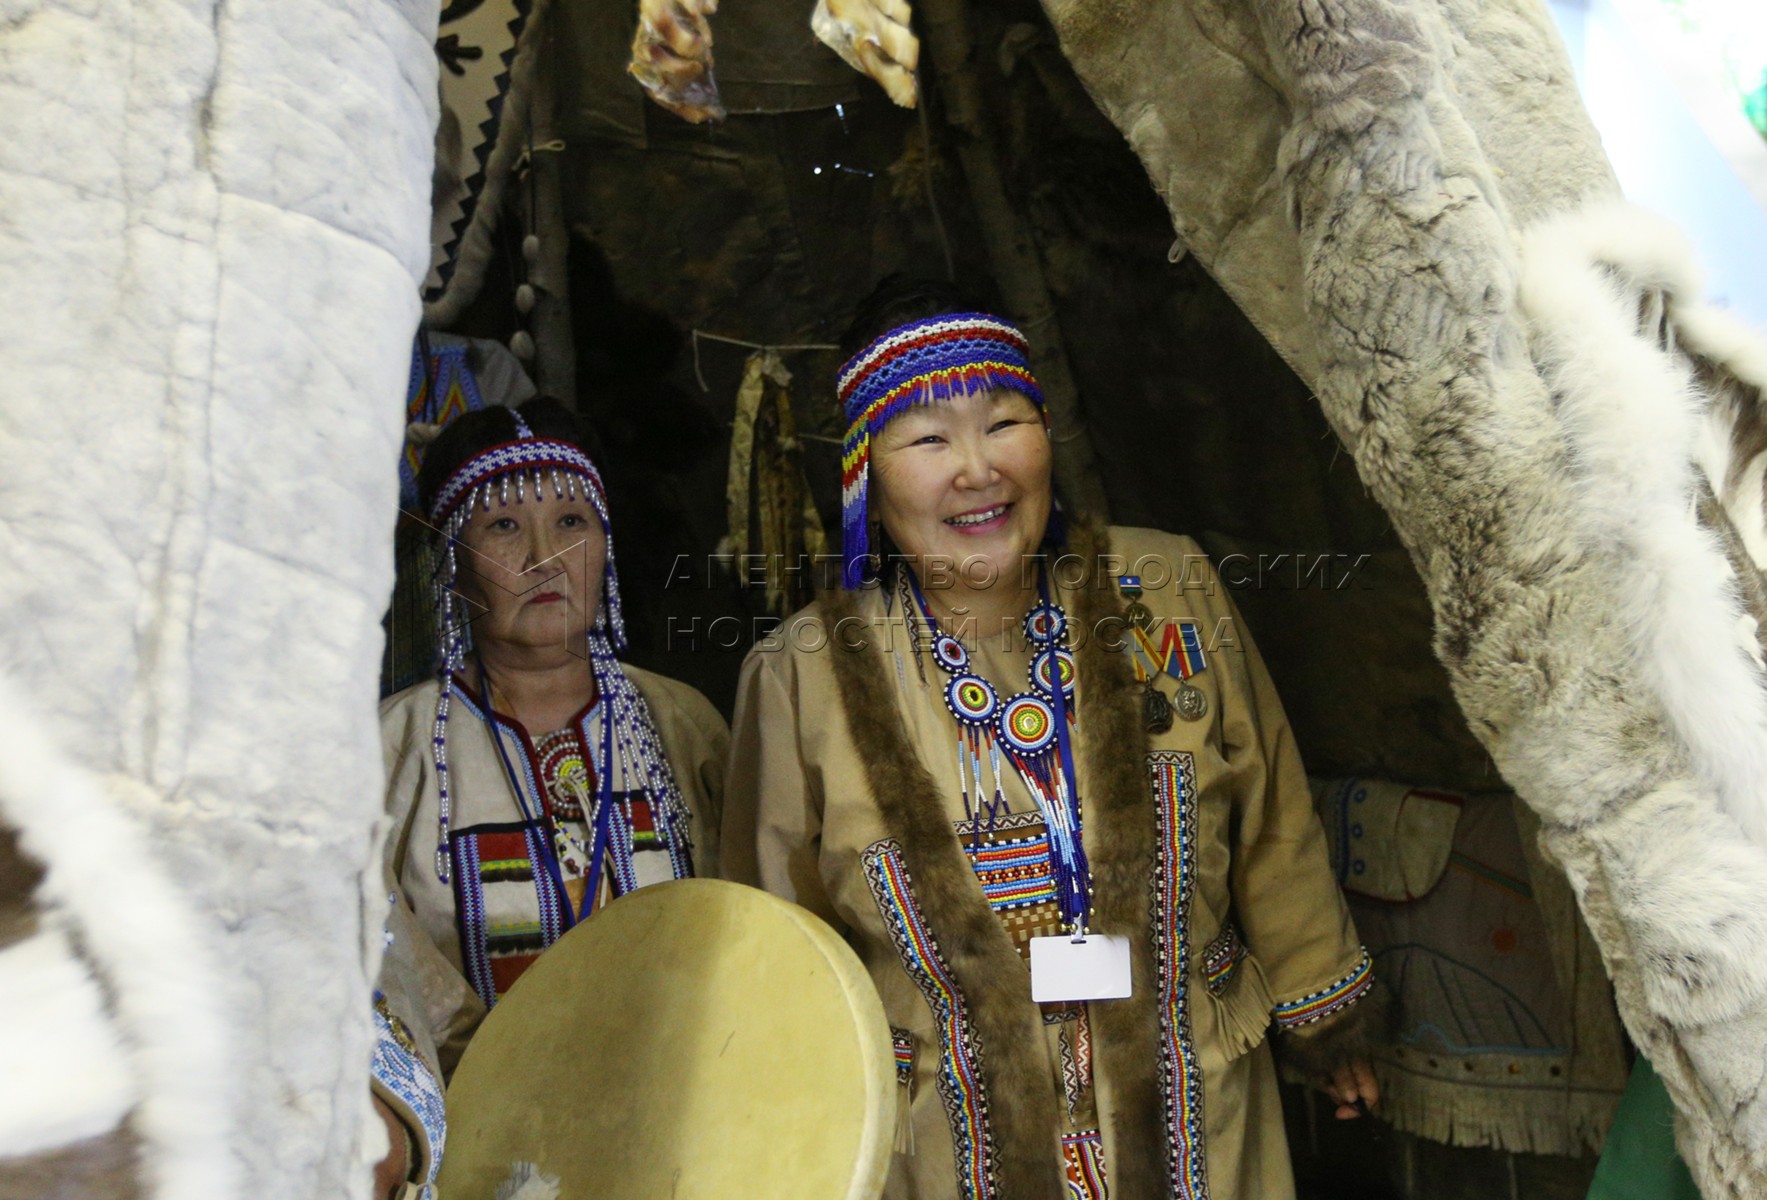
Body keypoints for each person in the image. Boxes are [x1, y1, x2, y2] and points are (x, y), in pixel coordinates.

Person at [722, 280, 1379, 1199]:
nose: (976, 469)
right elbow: (780, 940)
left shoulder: (1168, 587)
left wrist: (1324, 1020)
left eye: (1002, 422)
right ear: (867, 470)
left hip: (1203, 1125)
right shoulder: (801, 676)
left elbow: (1272, 815)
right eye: (927, 438)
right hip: (946, 1152)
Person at [381, 397, 727, 1054]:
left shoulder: (682, 725)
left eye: (571, 520)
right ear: (451, 563)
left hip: (692, 1100)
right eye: (504, 526)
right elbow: (378, 968)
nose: (546, 557)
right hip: (477, 1122)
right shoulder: (392, 752)